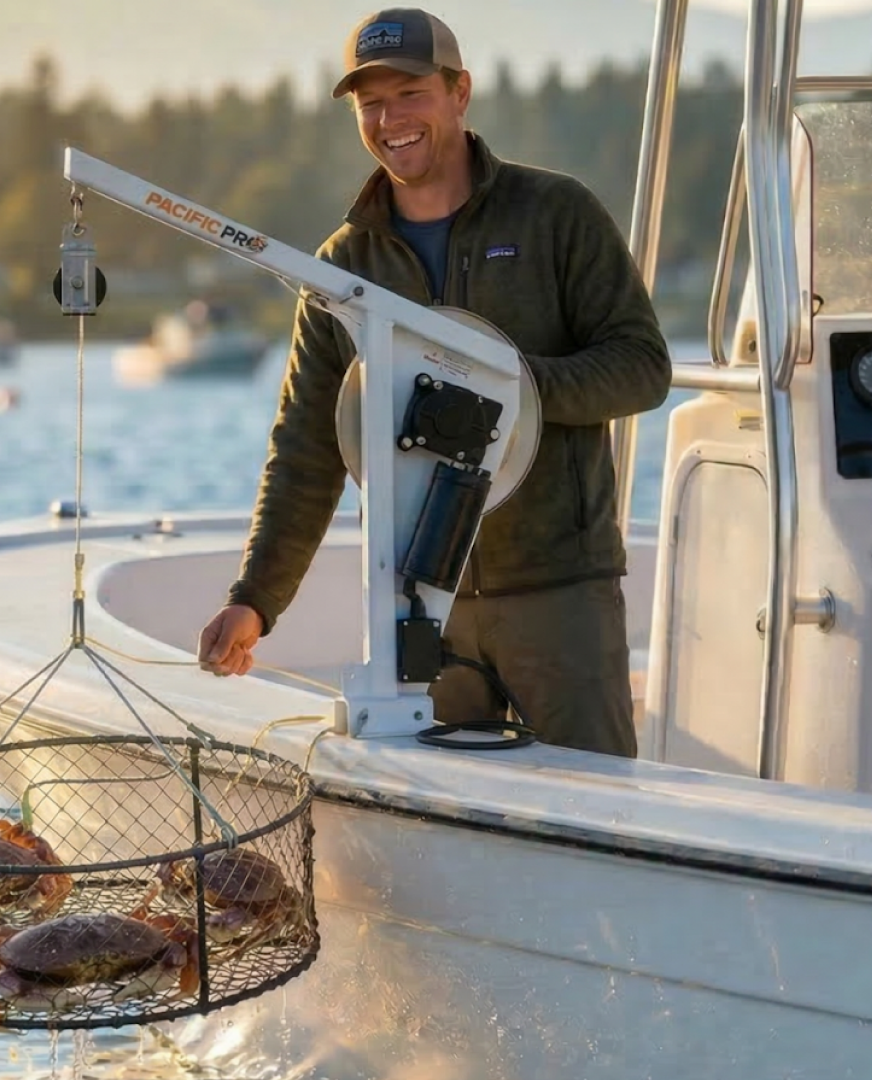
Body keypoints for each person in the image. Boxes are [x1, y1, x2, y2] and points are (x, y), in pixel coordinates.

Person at [195, 7, 672, 757]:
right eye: (369, 103)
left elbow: (643, 368)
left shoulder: (557, 214)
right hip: (415, 604)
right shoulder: (342, 267)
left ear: (460, 92)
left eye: (409, 93)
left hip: (559, 593)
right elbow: (307, 450)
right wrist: (255, 601)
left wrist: (504, 393)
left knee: (598, 807)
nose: (391, 119)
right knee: (447, 824)